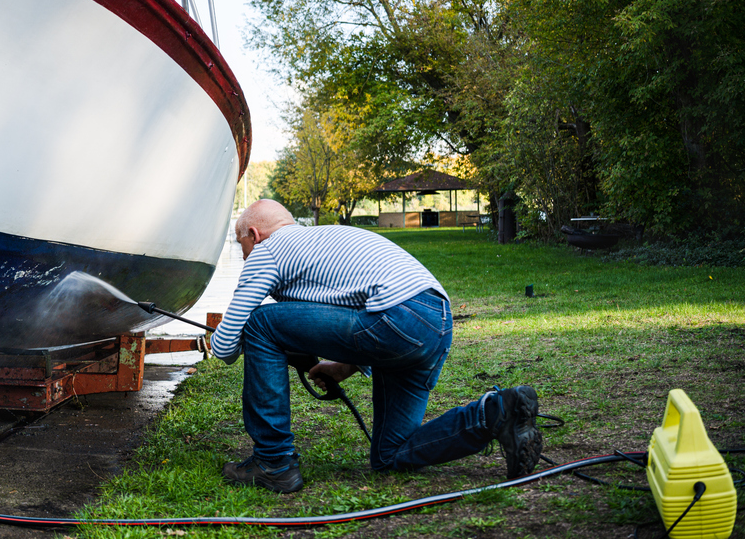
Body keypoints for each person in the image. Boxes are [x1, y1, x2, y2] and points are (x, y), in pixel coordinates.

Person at [210, 199, 543, 494]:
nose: (245, 259)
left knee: (260, 321)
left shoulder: (268, 249)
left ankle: (272, 463)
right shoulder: (327, 239)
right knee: (390, 455)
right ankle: (495, 412)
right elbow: (360, 300)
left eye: (242, 249)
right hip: (436, 321)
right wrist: (343, 367)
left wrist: (216, 340)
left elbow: (225, 346)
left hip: (397, 318)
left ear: (254, 234)